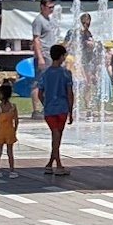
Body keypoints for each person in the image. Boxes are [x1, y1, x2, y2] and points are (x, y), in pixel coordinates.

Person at [37, 42, 74, 177]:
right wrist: (71, 110)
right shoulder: (66, 73)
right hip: (62, 109)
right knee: (57, 136)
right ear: (61, 57)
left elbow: (40, 93)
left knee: (56, 137)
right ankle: (58, 165)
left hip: (50, 110)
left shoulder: (45, 74)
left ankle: (49, 164)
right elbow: (70, 93)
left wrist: (45, 104)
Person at [30, 0, 62, 120]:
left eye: (53, 7)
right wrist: (40, 57)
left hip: (50, 55)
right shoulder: (38, 21)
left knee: (48, 83)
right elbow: (36, 40)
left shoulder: (48, 19)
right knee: (38, 82)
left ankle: (46, 107)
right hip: (43, 55)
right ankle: (36, 110)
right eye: (49, 7)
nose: (51, 9)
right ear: (42, 7)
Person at [0, 81, 19, 178]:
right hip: (10, 131)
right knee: (10, 152)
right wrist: (14, 130)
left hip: (0, 132)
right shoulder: (13, 107)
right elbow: (16, 120)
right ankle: (12, 171)